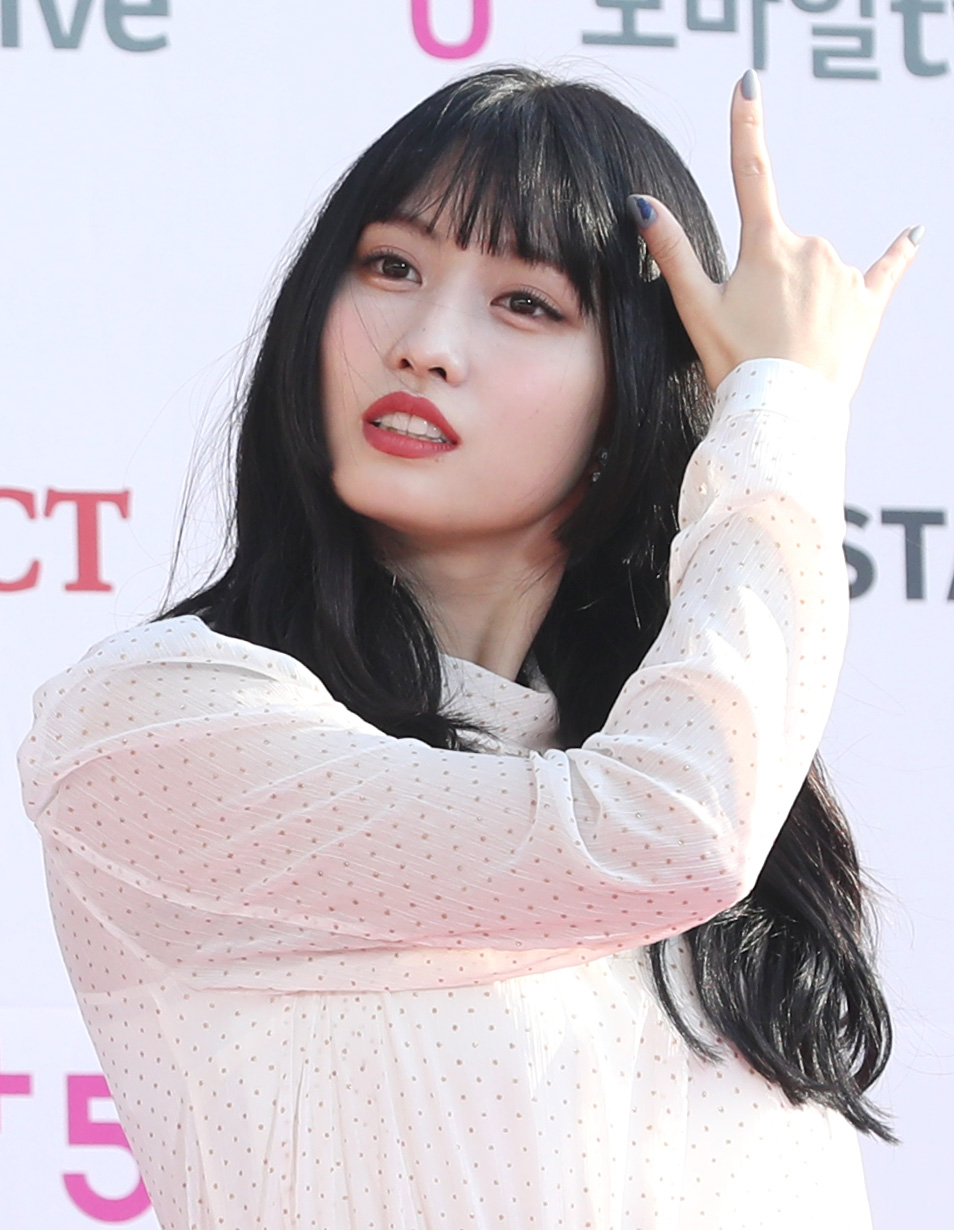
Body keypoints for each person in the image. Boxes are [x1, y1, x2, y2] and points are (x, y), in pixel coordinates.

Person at [19, 66, 920, 1229]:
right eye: (391, 267)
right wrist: (783, 409)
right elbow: (668, 831)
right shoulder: (155, 722)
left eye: (526, 304)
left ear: (638, 392)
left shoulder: (684, 778)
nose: (426, 345)